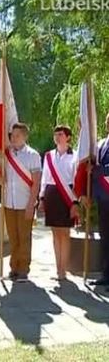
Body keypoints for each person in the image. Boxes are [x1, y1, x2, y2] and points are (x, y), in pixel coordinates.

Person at [39, 125, 80, 281]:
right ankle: (58, 269)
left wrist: (75, 202)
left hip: (67, 195)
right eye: (55, 134)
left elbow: (76, 180)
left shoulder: (75, 156)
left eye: (60, 134)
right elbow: (44, 178)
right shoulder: (49, 155)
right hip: (51, 194)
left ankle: (64, 269)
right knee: (55, 232)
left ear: (68, 137)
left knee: (65, 232)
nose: (57, 136)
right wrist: (42, 198)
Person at [2, 123, 42, 282]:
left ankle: (24, 269)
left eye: (17, 135)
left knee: (24, 237)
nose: (13, 138)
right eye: (12, 135)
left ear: (25, 136)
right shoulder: (7, 154)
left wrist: (31, 204)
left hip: (24, 201)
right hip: (9, 203)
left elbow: (36, 181)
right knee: (12, 237)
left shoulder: (32, 155)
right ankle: (14, 267)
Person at [79, 113, 109, 287]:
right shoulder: (100, 144)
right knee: (105, 237)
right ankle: (106, 274)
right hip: (103, 198)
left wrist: (97, 169)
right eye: (107, 122)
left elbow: (100, 168)